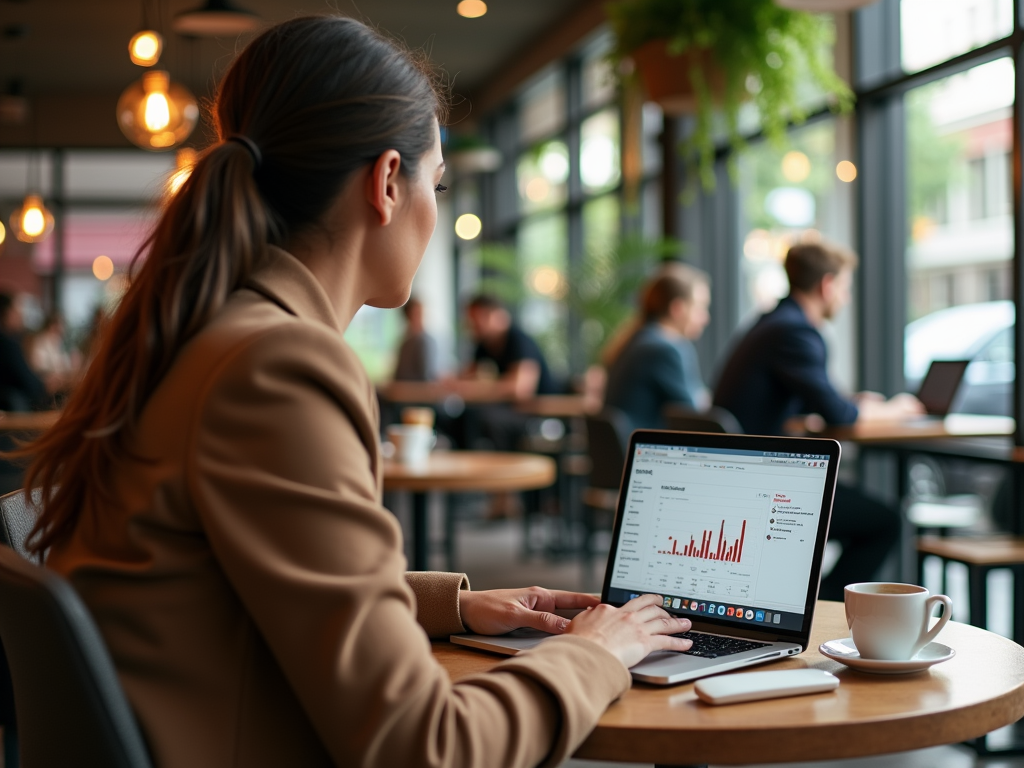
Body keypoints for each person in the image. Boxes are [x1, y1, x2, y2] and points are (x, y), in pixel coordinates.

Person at [16, 17, 691, 768]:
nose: (435, 213)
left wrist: (453, 607)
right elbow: (424, 747)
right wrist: (599, 654)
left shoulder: (206, 332)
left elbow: (234, 580)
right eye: (435, 185)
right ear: (386, 182)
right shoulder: (279, 366)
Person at [714, 241, 923, 600]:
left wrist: (850, 404)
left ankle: (815, 602)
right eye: (845, 287)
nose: (845, 297)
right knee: (887, 522)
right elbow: (840, 416)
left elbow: (814, 401)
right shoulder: (795, 331)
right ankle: (822, 606)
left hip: (742, 474)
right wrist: (896, 409)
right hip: (766, 486)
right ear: (827, 285)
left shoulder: (771, 322)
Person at [604, 266, 711, 430]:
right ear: (678, 309)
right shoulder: (664, 350)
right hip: (642, 450)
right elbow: (693, 416)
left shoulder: (638, 339)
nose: (705, 318)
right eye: (700, 308)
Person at [462, 293, 557, 399]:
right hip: (511, 409)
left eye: (476, 320)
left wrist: (470, 388)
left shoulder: (519, 340)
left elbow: (521, 388)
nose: (472, 326)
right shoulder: (484, 345)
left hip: (540, 408)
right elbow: (468, 376)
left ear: (495, 315)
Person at [0, 292, 50, 412]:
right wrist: (47, 384)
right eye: (17, 310)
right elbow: (31, 384)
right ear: (6, 313)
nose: (21, 315)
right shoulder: (8, 345)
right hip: (13, 418)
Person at [392, 296, 438, 381]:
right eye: (418, 313)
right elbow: (427, 376)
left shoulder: (405, 342)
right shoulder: (420, 341)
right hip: (417, 390)